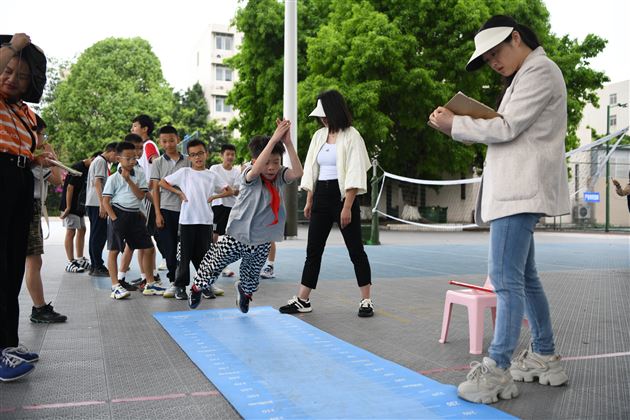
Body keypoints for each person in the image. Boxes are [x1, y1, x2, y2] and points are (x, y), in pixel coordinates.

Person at [429, 15, 570, 403]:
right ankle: (544, 355)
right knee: (524, 279)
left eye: (495, 54)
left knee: (505, 280)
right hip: (517, 190)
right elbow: (509, 127)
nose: (493, 62)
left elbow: (506, 129)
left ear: (516, 37)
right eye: (488, 59)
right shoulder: (531, 73)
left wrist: (454, 124)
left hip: (519, 191)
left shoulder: (540, 70)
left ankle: (497, 368)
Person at [189, 120, 303, 313]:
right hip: (238, 235)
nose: (271, 167)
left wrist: (288, 143)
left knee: (251, 275)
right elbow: (258, 168)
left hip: (262, 238)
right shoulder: (250, 173)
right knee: (214, 263)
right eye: (267, 162)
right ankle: (197, 288)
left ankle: (244, 290)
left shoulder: (279, 176)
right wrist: (274, 138)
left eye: (276, 162)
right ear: (256, 160)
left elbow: (298, 172)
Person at [279, 90, 373, 318]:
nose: (322, 119)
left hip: (343, 197)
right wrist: (310, 198)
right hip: (321, 196)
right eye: (320, 116)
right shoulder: (319, 136)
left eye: (325, 114)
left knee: (356, 251)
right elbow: (312, 167)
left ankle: (366, 300)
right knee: (313, 251)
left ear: (335, 111)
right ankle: (303, 299)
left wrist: (348, 206)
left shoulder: (352, 135)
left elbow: (355, 171)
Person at [0, 33, 49, 381]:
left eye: (20, 74)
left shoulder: (26, 114)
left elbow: (27, 151)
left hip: (20, 181)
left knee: (13, 262)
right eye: (7, 70)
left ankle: (8, 343)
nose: (11, 78)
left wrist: (39, 158)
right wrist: (13, 47)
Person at [159, 140, 230, 300]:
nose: (197, 157)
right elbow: (162, 182)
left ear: (206, 154)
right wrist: (178, 193)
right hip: (187, 221)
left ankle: (203, 285)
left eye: (200, 153)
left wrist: (216, 196)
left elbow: (229, 190)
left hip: (205, 221)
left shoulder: (212, 175)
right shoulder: (184, 172)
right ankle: (180, 286)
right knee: (184, 256)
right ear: (189, 157)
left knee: (205, 257)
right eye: (193, 154)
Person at [102, 142, 165, 299]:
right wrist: (115, 219)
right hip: (118, 214)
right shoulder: (113, 178)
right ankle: (115, 286)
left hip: (135, 215)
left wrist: (129, 180)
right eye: (128, 158)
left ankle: (150, 284)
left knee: (149, 248)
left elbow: (141, 195)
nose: (132, 161)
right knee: (114, 250)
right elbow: (105, 201)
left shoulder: (139, 173)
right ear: (118, 158)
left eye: (135, 158)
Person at [25, 115, 67, 324]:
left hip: (30, 207)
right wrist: (50, 154)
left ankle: (39, 306)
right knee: (33, 260)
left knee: (34, 260)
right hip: (28, 208)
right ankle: (39, 308)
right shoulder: (30, 158)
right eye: (41, 134)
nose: (43, 138)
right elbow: (57, 178)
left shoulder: (28, 156)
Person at [118, 133, 162, 289]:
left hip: (136, 212)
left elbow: (145, 193)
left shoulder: (137, 167)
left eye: (140, 148)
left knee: (135, 247)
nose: (138, 152)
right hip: (131, 213)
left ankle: (132, 278)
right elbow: (141, 193)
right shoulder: (127, 168)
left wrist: (157, 206)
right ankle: (148, 281)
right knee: (146, 247)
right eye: (135, 148)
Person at [150, 125, 190, 297]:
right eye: (164, 141)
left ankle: (186, 283)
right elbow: (155, 189)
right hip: (166, 210)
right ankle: (174, 281)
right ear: (160, 142)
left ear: (178, 139)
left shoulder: (188, 160)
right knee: (169, 247)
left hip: (186, 211)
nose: (168, 144)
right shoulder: (157, 162)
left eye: (171, 140)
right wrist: (157, 213)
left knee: (185, 248)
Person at [60, 152, 97, 273]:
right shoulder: (78, 167)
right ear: (92, 159)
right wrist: (68, 207)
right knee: (71, 231)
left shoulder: (89, 169)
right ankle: (71, 262)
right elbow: (70, 187)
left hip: (78, 205)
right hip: (70, 205)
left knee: (82, 229)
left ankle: (80, 259)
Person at [86, 142, 118, 277]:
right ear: (112, 152)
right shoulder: (101, 162)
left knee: (95, 234)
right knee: (98, 235)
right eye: (117, 156)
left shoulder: (99, 161)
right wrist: (102, 204)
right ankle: (97, 265)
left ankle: (95, 265)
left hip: (93, 202)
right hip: (96, 203)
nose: (117, 159)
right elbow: (97, 183)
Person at [209, 143, 240, 277]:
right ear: (221, 155)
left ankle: (223, 265)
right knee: (214, 235)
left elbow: (237, 191)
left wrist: (227, 191)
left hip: (232, 208)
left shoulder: (237, 172)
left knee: (228, 238)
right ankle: (210, 262)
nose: (230, 157)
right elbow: (212, 186)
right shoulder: (214, 168)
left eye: (232, 154)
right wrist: (227, 191)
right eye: (227, 154)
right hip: (217, 206)